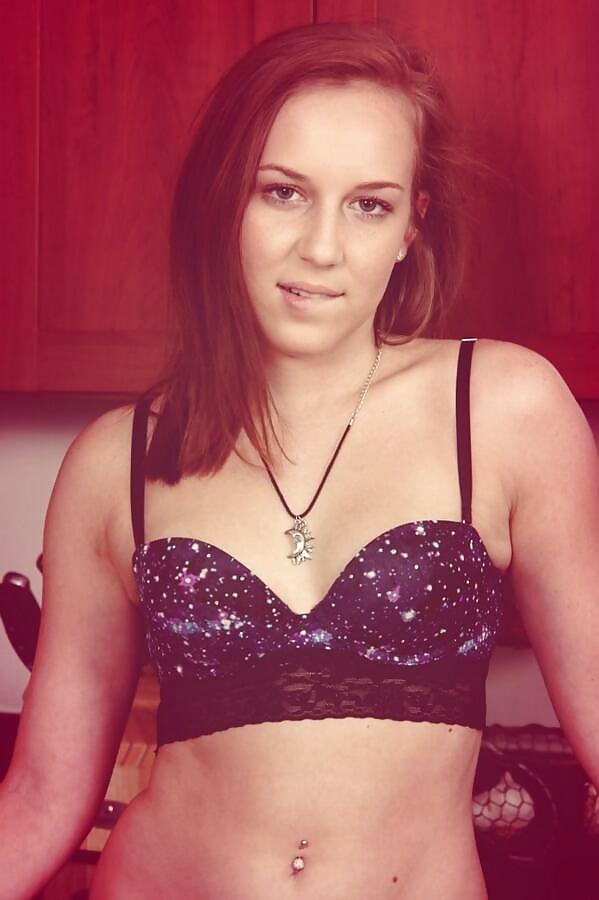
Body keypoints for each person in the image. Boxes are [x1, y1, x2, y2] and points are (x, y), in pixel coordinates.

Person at [2, 20, 598, 900]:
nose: (321, 247)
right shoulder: (114, 464)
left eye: (369, 204)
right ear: (223, 201)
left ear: (410, 227)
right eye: (282, 192)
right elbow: (42, 797)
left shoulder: (505, 408)